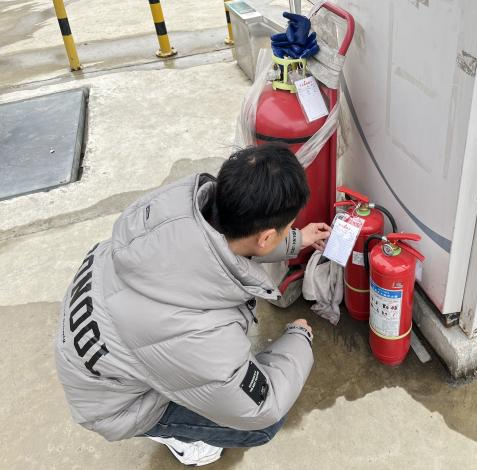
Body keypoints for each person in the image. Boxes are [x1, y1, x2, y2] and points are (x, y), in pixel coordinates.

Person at [55, 143, 331, 466]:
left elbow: (233, 244)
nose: (290, 231)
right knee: (263, 427)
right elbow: (261, 407)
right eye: (287, 228)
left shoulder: (181, 207)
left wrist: (295, 239)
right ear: (267, 237)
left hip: (99, 333)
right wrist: (299, 338)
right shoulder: (194, 331)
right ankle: (175, 436)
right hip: (112, 404)